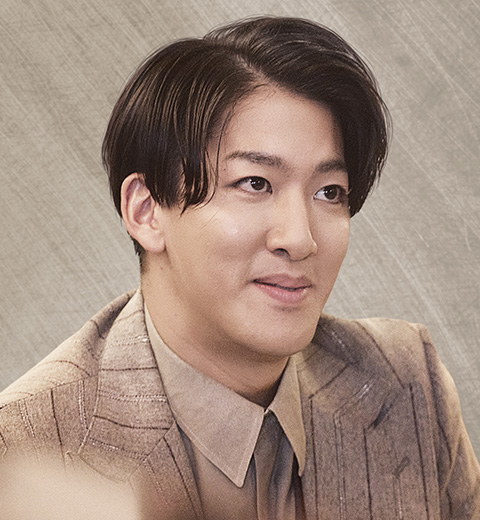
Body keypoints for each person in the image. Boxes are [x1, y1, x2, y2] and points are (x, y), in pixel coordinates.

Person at [0, 15, 478, 520]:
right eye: (255, 184)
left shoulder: (404, 383)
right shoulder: (24, 449)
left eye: (328, 192)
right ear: (146, 210)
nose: (300, 239)